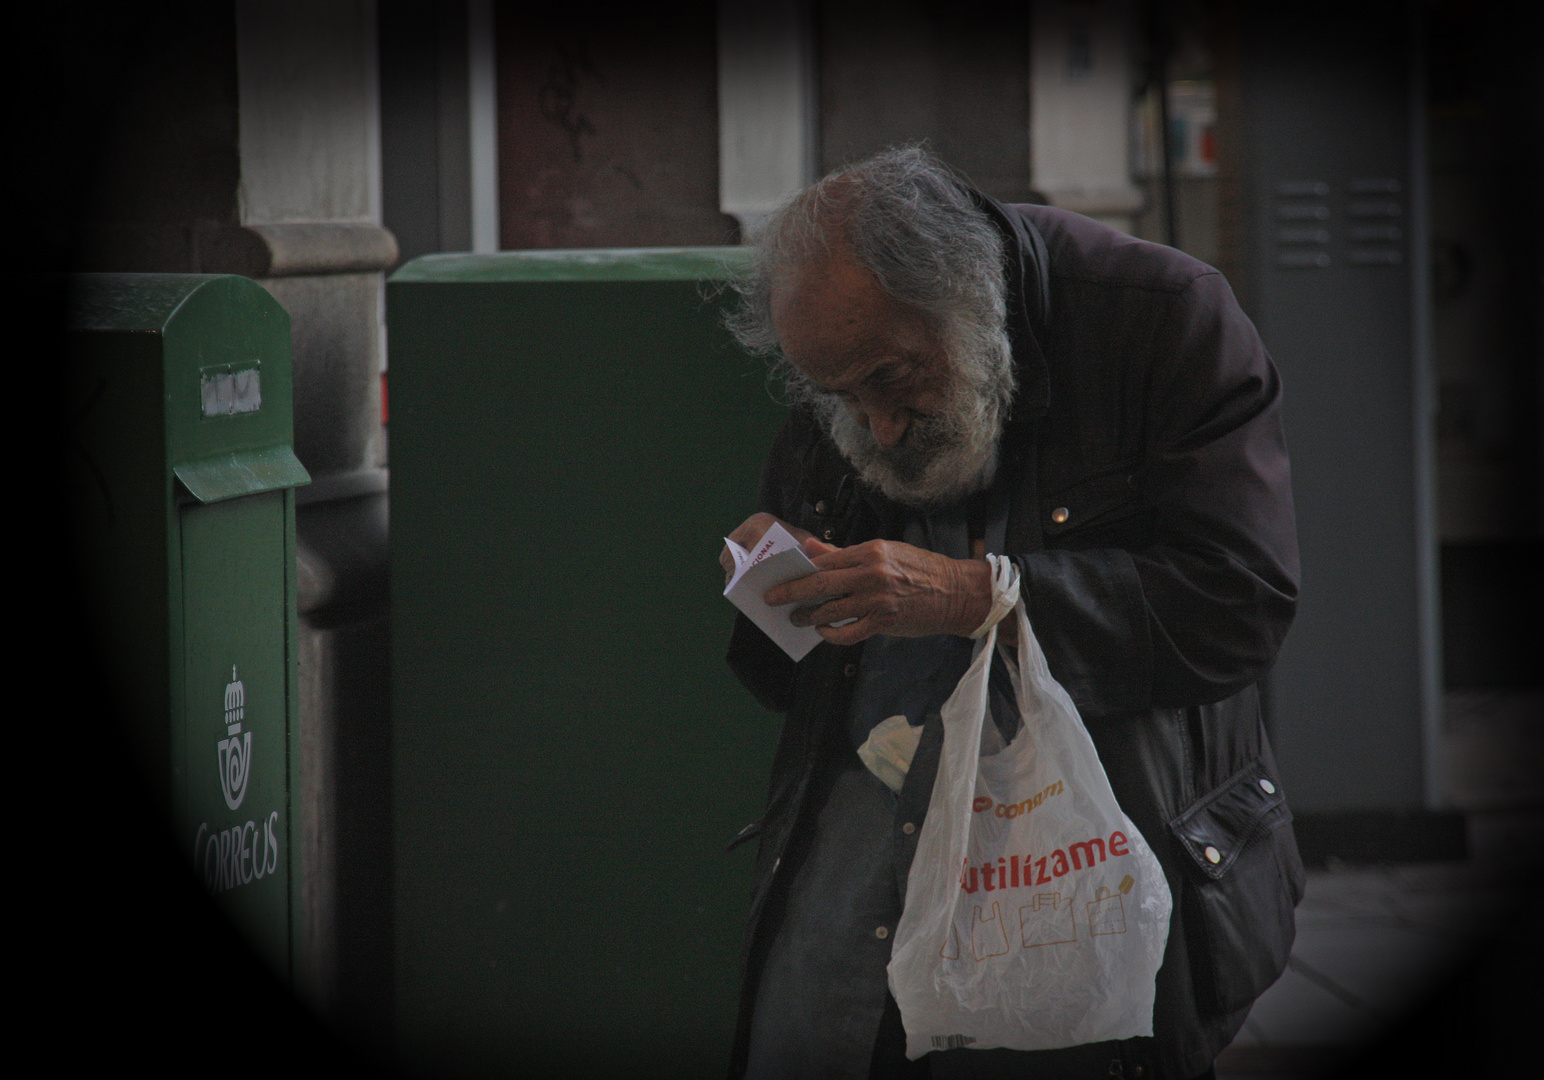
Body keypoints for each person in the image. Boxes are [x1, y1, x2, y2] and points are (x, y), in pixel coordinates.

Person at [718, 147, 1304, 1080]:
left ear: (968, 304)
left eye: (892, 378)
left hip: (1084, 878)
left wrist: (974, 595)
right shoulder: (854, 359)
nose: (874, 426)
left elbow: (1239, 600)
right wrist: (782, 583)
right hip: (855, 886)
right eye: (839, 395)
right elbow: (789, 678)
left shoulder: (1162, 319)